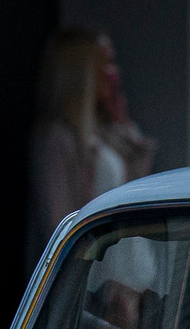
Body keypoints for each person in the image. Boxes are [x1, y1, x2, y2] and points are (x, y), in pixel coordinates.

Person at [30, 27, 156, 260]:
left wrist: (124, 126)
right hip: (95, 270)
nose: (115, 72)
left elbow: (139, 194)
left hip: (128, 268)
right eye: (107, 63)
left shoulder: (107, 131)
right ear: (83, 73)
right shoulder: (59, 138)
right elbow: (58, 225)